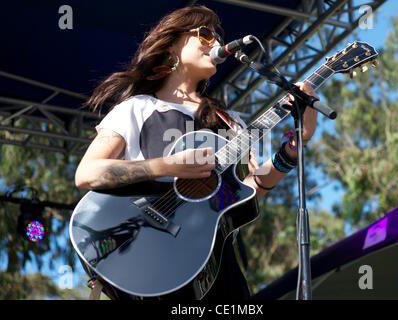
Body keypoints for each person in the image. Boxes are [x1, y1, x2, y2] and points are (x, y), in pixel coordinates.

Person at [75, 5, 318, 300]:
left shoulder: (232, 122)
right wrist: (169, 165)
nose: (215, 44)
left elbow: (245, 194)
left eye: (217, 37)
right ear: (172, 44)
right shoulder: (137, 108)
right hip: (154, 262)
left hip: (219, 271)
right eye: (204, 35)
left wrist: (292, 150)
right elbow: (88, 174)